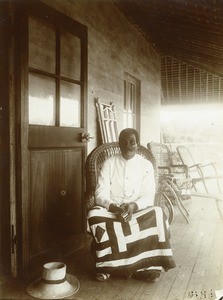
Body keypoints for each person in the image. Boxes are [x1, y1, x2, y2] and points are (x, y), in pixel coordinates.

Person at [87, 128, 176, 282]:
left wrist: (134, 206)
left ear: (138, 144)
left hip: (137, 210)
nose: (128, 146)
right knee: (93, 216)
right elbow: (100, 194)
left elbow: (149, 195)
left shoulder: (145, 164)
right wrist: (113, 207)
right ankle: (108, 266)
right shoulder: (109, 163)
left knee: (158, 213)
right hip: (111, 210)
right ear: (119, 145)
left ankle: (144, 266)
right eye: (123, 142)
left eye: (132, 142)